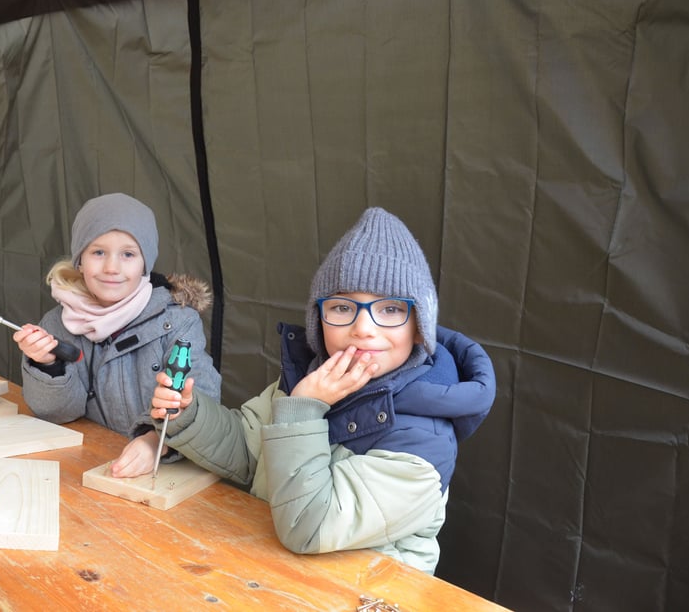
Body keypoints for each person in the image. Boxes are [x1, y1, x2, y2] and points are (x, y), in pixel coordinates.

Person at [150, 207, 496, 574]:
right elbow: (249, 453)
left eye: (391, 309)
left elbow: (309, 527)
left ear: (419, 326)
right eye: (343, 306)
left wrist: (304, 409)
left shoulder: (423, 442)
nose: (363, 327)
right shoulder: (313, 379)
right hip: (273, 575)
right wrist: (189, 414)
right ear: (319, 320)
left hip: (362, 595)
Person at [15, 192, 221, 479]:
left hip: (165, 471)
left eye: (128, 254)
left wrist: (155, 441)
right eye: (98, 252)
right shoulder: (58, 323)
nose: (112, 268)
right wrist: (48, 365)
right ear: (80, 261)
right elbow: (59, 413)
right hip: (92, 464)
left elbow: (206, 399)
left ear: (144, 264)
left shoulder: (177, 321)